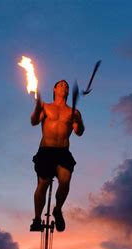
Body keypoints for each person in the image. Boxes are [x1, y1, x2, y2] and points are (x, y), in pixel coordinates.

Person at [29, 79, 85, 232]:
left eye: (66, 86)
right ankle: (37, 219)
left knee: (65, 180)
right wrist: (37, 107)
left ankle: (58, 209)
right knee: (43, 184)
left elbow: (79, 132)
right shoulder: (46, 107)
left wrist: (78, 121)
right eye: (61, 84)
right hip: (46, 151)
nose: (64, 86)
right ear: (54, 89)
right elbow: (34, 122)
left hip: (63, 152)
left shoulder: (73, 112)